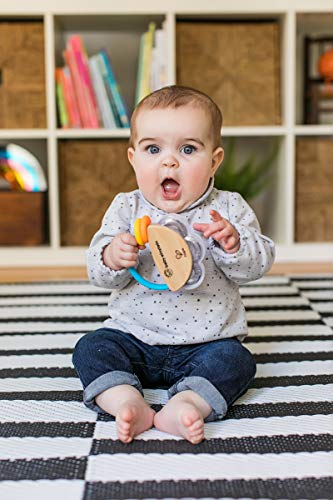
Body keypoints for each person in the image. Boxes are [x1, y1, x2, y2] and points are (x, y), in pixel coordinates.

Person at [72, 85, 275, 444]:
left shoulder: (227, 209)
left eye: (187, 149)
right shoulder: (126, 208)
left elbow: (258, 264)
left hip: (209, 342)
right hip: (135, 338)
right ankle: (125, 400)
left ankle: (188, 404)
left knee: (238, 361)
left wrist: (233, 244)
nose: (169, 161)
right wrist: (112, 256)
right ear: (133, 158)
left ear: (214, 160)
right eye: (153, 149)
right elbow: (97, 272)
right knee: (92, 347)